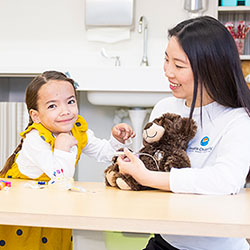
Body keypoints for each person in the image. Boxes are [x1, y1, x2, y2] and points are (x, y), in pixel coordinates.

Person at [117, 16, 250, 250]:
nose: (168, 72)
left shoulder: (237, 120)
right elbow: (151, 161)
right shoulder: (164, 108)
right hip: (166, 241)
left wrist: (148, 177)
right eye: (166, 60)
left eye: (178, 65)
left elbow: (225, 181)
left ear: (211, 68)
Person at [0, 70, 135, 250]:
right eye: (52, 106)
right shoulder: (36, 139)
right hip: (25, 206)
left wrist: (117, 140)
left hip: (51, 202)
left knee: (55, 242)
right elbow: (61, 179)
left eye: (70, 102)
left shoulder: (77, 128)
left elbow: (103, 153)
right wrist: (62, 148)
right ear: (36, 116)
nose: (65, 111)